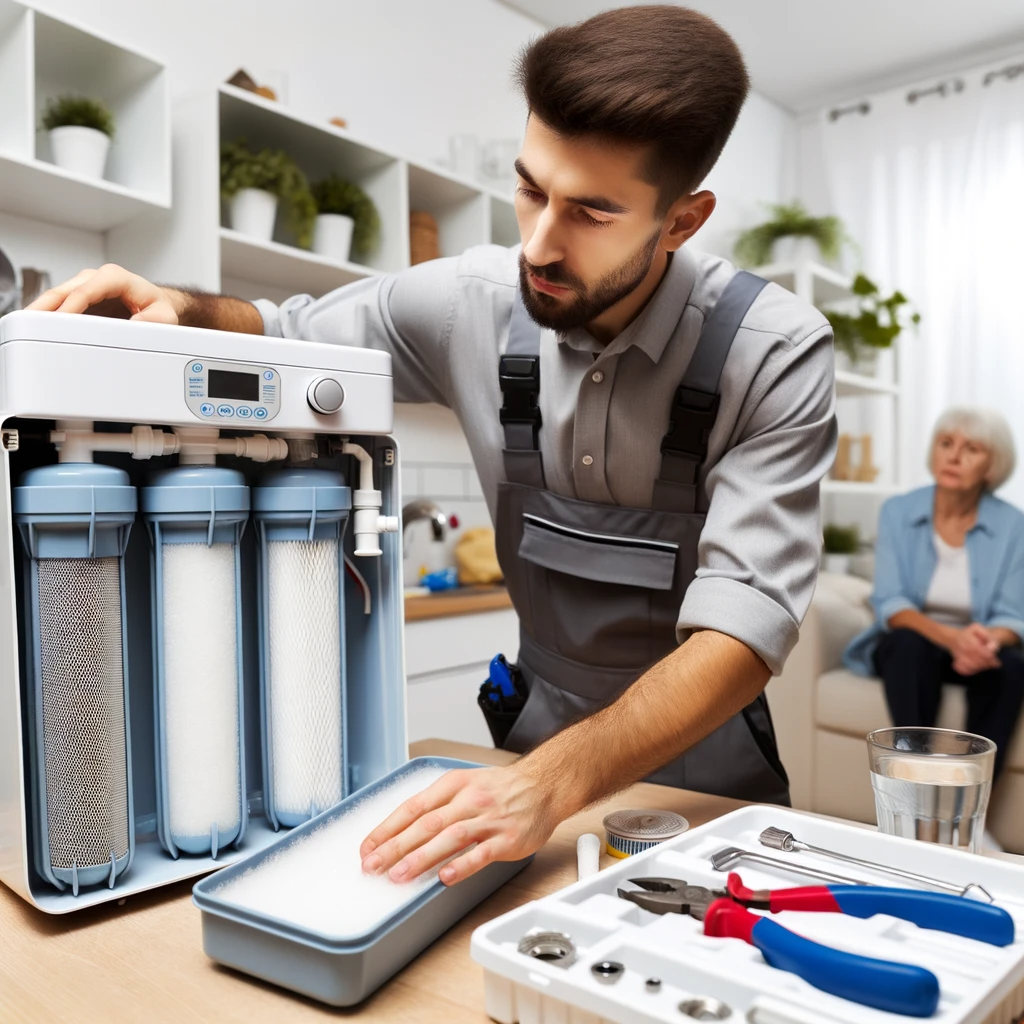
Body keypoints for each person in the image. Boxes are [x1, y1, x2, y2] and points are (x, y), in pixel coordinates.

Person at [27, 7, 836, 886]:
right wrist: (177, 309)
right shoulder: (471, 304)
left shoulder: (775, 349)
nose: (538, 242)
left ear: (681, 221)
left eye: (591, 212)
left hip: (703, 785)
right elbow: (289, 329)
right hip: (526, 782)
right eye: (531, 189)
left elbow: (741, 633)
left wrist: (554, 780)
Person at [845, 407, 1024, 778]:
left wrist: (983, 642)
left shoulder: (1014, 526)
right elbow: (891, 603)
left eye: (972, 449)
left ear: (992, 465)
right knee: (907, 645)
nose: (954, 456)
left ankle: (970, 805)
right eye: (946, 443)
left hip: (975, 649)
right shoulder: (898, 511)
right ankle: (916, 785)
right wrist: (951, 637)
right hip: (915, 644)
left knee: (1009, 668)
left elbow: (1013, 615)